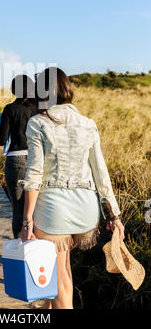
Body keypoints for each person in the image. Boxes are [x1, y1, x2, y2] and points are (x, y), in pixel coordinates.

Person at [18, 67, 125, 310]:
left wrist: (27, 221)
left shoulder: (37, 123)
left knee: (60, 281)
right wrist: (114, 216)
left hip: (53, 211)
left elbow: (34, 174)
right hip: (86, 212)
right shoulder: (88, 124)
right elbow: (101, 172)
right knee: (62, 267)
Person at [0, 75, 37, 238]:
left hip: (16, 160)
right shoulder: (38, 109)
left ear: (14, 90)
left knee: (18, 208)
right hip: (36, 160)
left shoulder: (9, 109)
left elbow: (1, 140)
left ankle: (19, 248)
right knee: (35, 208)